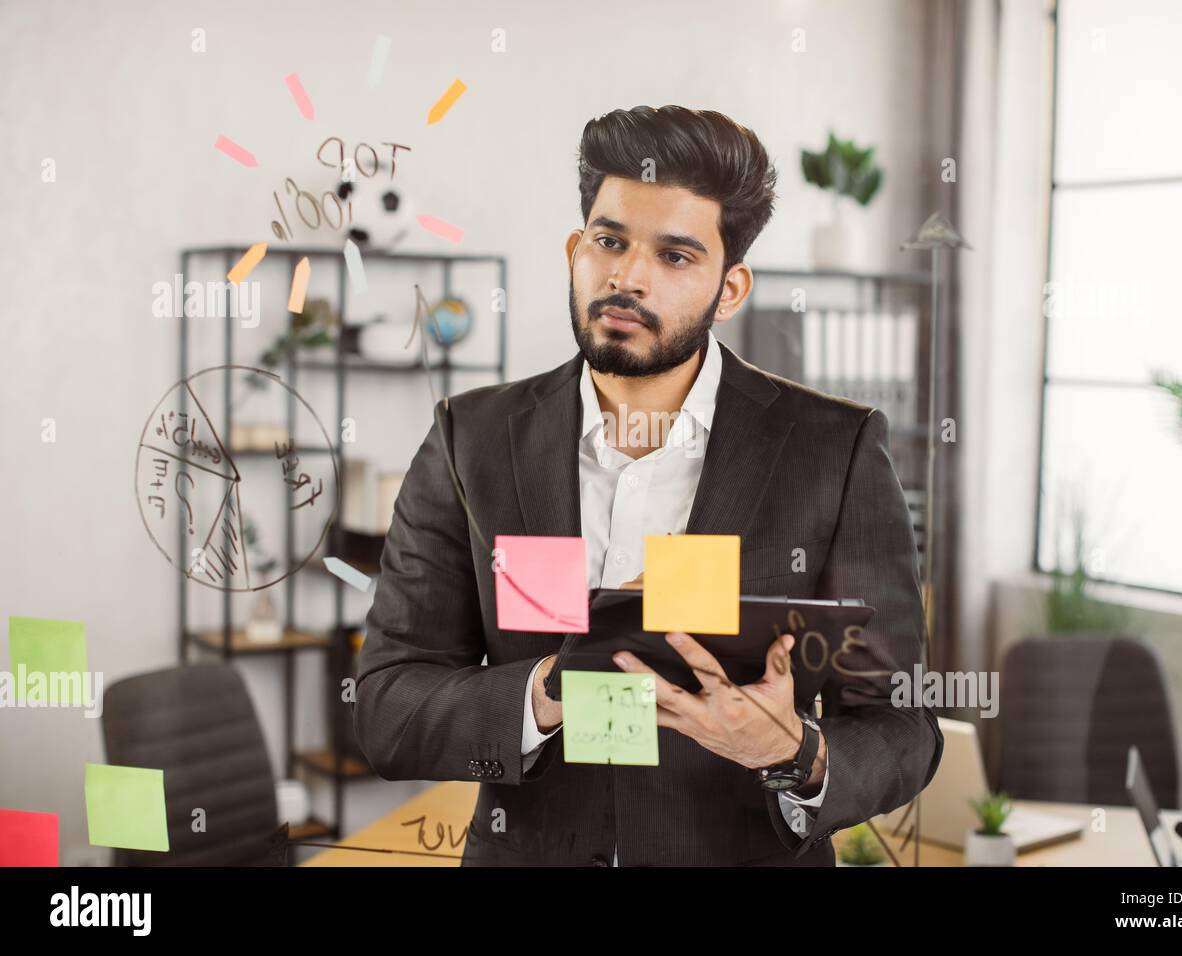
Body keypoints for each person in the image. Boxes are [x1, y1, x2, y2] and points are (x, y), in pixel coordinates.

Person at [354, 104, 943, 866]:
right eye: (609, 242)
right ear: (575, 250)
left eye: (674, 256)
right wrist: (547, 687)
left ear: (730, 290)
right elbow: (388, 707)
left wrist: (794, 752)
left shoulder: (834, 450)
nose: (627, 277)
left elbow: (903, 728)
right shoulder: (472, 440)